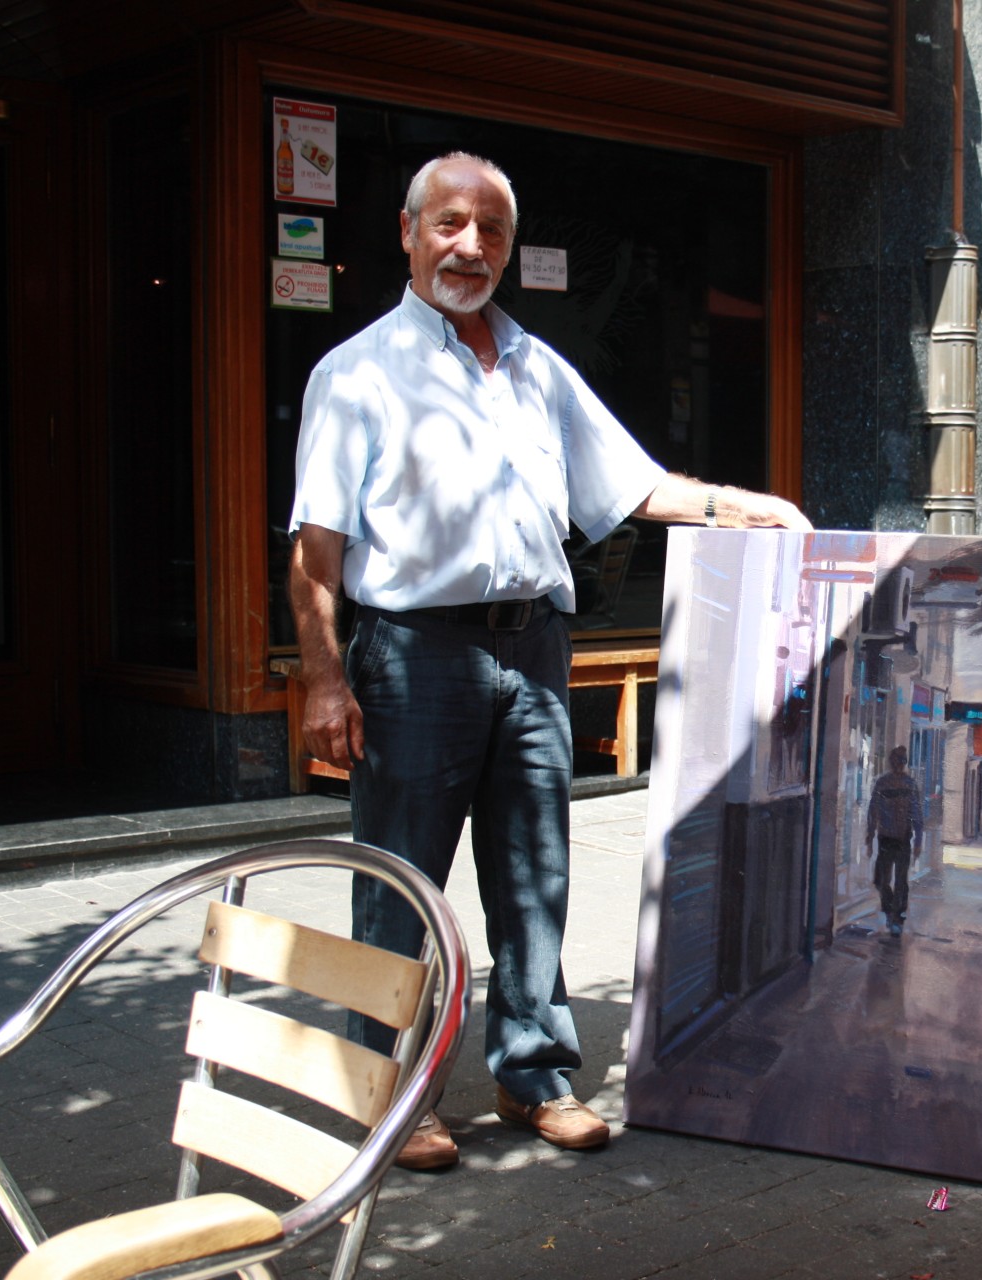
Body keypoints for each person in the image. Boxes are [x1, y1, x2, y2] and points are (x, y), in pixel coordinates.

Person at [289, 152, 810, 1171]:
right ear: (408, 233)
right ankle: (393, 1094)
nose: (469, 246)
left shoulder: (535, 365)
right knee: (402, 884)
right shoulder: (355, 373)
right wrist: (321, 675)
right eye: (448, 224)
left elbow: (633, 485)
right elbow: (316, 551)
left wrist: (742, 505)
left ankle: (533, 1073)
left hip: (533, 649)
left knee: (534, 878)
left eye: (489, 229)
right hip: (412, 654)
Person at [866, 746, 923, 937]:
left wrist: (918, 841)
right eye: (897, 761)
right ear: (892, 762)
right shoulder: (883, 783)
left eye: (902, 761)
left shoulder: (909, 784)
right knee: (881, 880)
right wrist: (870, 834)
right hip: (886, 838)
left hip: (902, 838)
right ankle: (891, 910)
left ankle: (896, 917)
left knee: (900, 880)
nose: (899, 765)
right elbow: (873, 810)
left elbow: (916, 814)